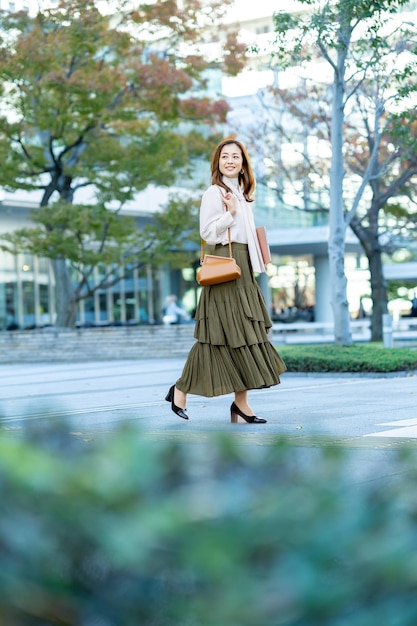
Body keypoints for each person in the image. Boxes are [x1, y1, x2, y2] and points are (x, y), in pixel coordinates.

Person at [165, 137, 286, 424]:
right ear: (218, 163)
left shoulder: (241, 194)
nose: (230, 161)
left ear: (244, 164)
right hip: (225, 270)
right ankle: (180, 390)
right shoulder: (214, 193)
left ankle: (241, 407)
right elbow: (208, 233)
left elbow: (245, 236)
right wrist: (229, 215)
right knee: (217, 338)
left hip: (243, 269)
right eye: (225, 157)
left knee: (243, 337)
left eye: (236, 156)